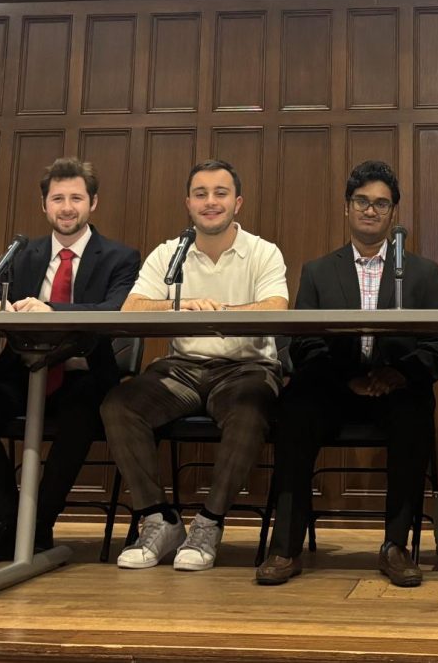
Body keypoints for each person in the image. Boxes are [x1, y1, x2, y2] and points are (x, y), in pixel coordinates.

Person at [256, 160, 438, 587]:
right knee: (294, 409)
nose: (370, 210)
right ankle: (285, 547)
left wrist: (398, 375)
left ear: (393, 213)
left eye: (381, 204)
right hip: (333, 386)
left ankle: (396, 546)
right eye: (362, 201)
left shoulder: (422, 273)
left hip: (396, 388)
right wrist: (346, 380)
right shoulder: (318, 271)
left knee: (416, 412)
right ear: (346, 207)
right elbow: (302, 343)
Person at [0, 157, 140, 567]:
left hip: (83, 374)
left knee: (83, 412)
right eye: (57, 199)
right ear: (44, 205)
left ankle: (38, 528)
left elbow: (116, 309)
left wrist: (49, 308)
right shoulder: (21, 253)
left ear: (93, 203)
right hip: (20, 372)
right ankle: (4, 524)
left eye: (76, 198)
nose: (67, 208)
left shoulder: (120, 257)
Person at [101, 159, 288, 572]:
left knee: (251, 409)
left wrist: (220, 311)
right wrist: (182, 305)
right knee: (119, 404)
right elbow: (132, 308)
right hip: (180, 370)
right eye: (200, 194)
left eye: (220, 193)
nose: (210, 202)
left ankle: (209, 523)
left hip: (245, 369)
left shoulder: (263, 251)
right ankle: (159, 520)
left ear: (237, 202)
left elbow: (276, 306)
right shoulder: (169, 252)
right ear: (188, 203)